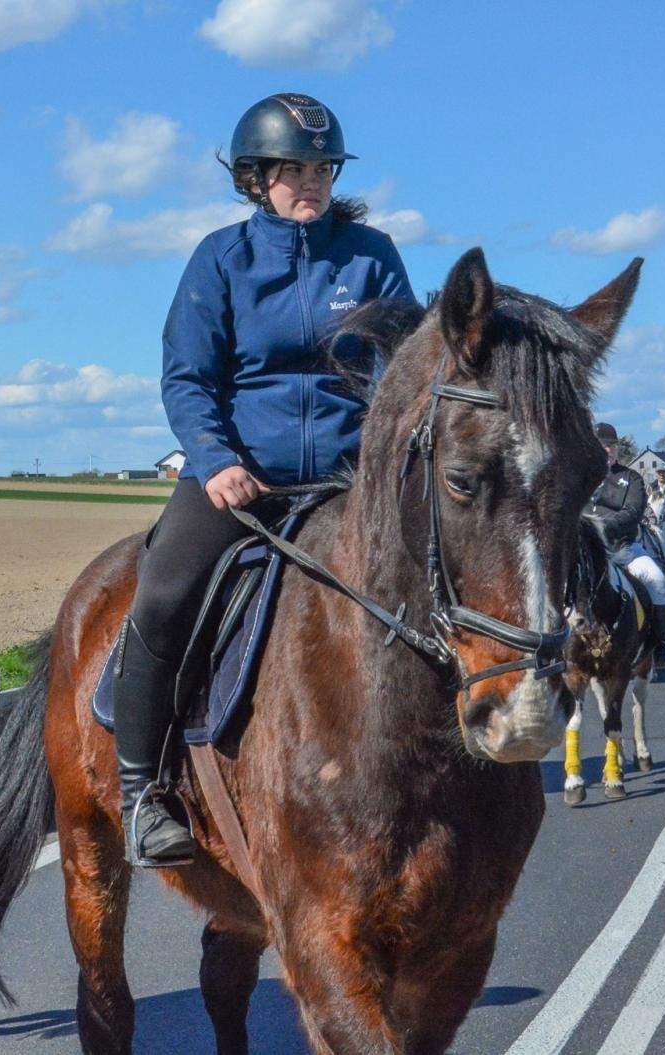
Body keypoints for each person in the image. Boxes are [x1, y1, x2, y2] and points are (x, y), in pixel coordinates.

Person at [110, 92, 416, 868]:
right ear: (255, 178)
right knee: (163, 592)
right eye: (292, 170)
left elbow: (406, 368)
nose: (309, 183)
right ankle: (143, 793)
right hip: (241, 477)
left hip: (350, 480)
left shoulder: (372, 256)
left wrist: (386, 460)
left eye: (321, 170)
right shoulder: (220, 259)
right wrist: (216, 462)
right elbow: (187, 377)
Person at [584, 423, 665, 666]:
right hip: (583, 552)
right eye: (601, 445)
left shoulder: (631, 478)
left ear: (617, 449)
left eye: (611, 445)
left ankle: (661, 642)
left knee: (657, 581)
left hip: (622, 549)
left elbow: (633, 512)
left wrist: (600, 528)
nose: (607, 450)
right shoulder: (577, 477)